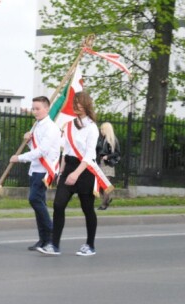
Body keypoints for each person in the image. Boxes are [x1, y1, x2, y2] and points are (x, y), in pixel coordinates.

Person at [38, 91, 112, 256]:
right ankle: (54, 245)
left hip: (84, 171)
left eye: (80, 102)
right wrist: (62, 170)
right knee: (58, 205)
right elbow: (66, 149)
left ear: (86, 104)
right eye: (75, 102)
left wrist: (76, 174)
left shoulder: (92, 128)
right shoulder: (70, 125)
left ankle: (90, 245)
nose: (77, 105)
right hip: (69, 167)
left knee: (87, 209)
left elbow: (89, 155)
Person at [10, 96, 61, 251]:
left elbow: (42, 151)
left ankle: (52, 235)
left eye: (38, 108)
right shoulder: (37, 126)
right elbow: (35, 148)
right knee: (39, 203)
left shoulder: (51, 127)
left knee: (34, 200)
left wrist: (19, 158)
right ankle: (43, 239)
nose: (35, 111)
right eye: (33, 108)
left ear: (47, 108)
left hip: (44, 171)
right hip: (35, 169)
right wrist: (29, 140)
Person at [96, 122, 120, 210]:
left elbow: (117, 153)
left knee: (105, 184)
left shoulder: (113, 140)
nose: (101, 131)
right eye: (101, 129)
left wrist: (108, 156)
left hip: (108, 164)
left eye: (102, 129)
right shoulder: (101, 139)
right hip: (100, 164)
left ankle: (104, 204)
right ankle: (107, 199)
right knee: (100, 184)